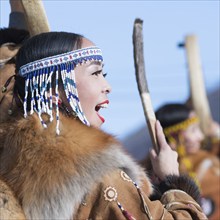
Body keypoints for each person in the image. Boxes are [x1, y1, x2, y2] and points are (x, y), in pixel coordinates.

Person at [0, 32, 207, 219]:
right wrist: (173, 181)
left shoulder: (12, 157)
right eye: (95, 73)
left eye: (104, 75)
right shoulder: (94, 171)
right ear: (52, 91)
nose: (107, 87)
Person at [156, 103, 220, 220]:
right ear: (175, 135)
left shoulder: (210, 157)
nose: (200, 136)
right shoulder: (157, 179)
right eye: (193, 130)